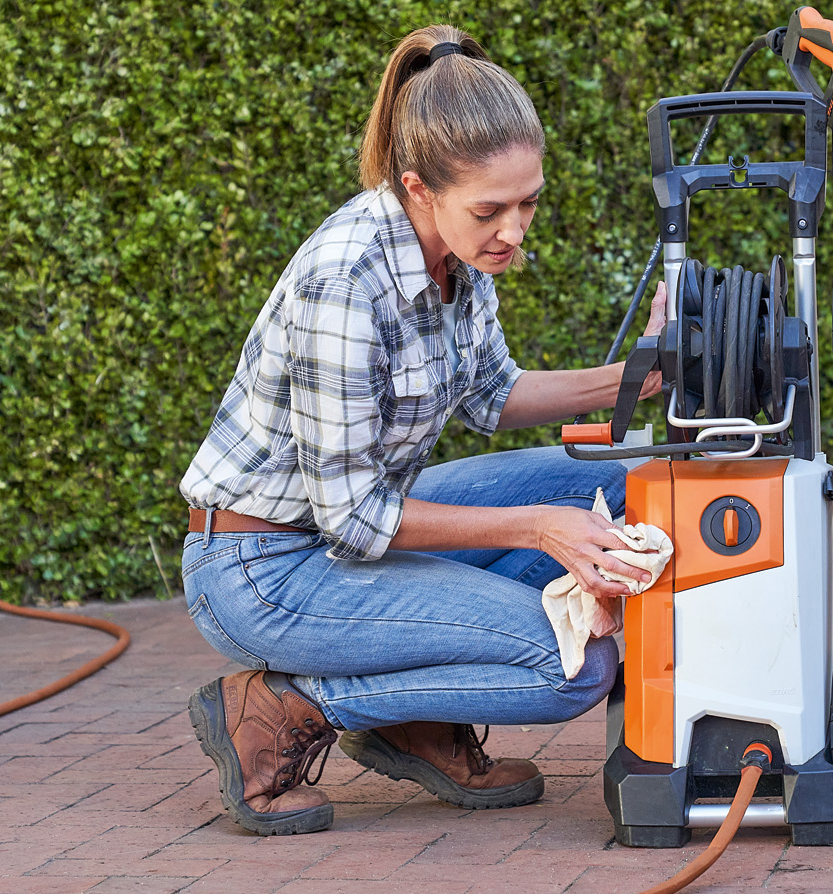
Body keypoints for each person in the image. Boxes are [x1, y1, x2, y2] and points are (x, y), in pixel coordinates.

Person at [177, 24, 667, 836]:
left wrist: (639, 376)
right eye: (491, 210)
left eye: (529, 201)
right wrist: (540, 528)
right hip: (262, 568)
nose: (516, 230)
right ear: (417, 187)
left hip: (341, 536)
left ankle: (416, 714)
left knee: (620, 479)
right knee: (570, 668)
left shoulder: (459, 259)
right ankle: (286, 707)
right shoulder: (348, 279)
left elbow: (491, 393)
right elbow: (356, 517)